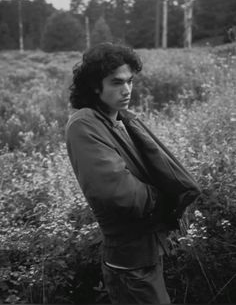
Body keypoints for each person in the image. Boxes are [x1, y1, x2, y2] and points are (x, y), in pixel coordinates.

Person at [65, 42, 200, 304]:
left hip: (147, 253)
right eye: (117, 82)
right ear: (95, 85)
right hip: (130, 264)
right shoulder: (84, 123)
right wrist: (165, 199)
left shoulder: (118, 119)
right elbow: (118, 193)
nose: (127, 90)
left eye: (130, 81)